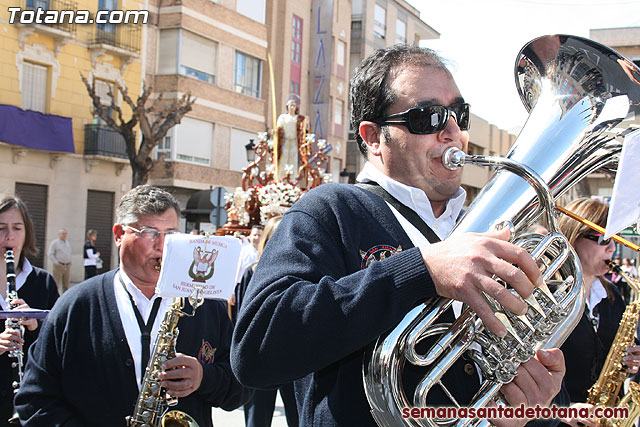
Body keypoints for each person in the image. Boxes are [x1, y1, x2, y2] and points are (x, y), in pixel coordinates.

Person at [231, 44, 565, 426]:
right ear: (374, 137)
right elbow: (255, 349)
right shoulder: (329, 210)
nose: (453, 131)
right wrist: (422, 269)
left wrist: (537, 407)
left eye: (459, 114)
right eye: (429, 117)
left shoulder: (489, 230)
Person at [15, 185, 250, 427]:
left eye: (171, 233)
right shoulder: (75, 305)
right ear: (119, 235)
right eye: (150, 232)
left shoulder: (205, 305)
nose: (162, 247)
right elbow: (34, 400)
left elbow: (241, 389)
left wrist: (204, 377)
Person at [557, 198, 640, 427]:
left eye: (614, 240)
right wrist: (561, 411)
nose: (612, 249)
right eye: (603, 240)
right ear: (574, 238)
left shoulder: (612, 295)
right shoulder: (548, 296)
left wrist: (632, 359)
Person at [234, 216, 298, 427]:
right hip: (260, 354)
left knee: (298, 416)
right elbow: (243, 316)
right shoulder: (253, 271)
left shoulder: (300, 270)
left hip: (293, 356)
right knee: (257, 418)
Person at [0, 195, 59, 424]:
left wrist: (36, 325)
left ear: (27, 234)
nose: (9, 236)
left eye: (17, 228)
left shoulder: (43, 282)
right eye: (1, 227)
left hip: (32, 403)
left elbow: (61, 345)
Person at [229, 225, 263, 323]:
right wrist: (232, 291)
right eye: (255, 235)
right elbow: (236, 271)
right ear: (250, 236)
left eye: (259, 235)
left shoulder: (264, 252)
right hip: (242, 286)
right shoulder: (243, 251)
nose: (256, 238)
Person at [276, 99, 309, 181]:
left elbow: (304, 128)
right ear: (287, 107)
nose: (292, 107)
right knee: (283, 159)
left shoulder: (299, 118)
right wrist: (276, 131)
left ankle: (293, 180)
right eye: (290, 105)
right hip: (285, 141)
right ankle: (281, 179)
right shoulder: (283, 117)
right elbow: (279, 127)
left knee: (293, 160)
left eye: (293, 105)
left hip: (294, 141)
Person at [48, 228, 72, 294]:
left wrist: (70, 261)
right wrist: (56, 263)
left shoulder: (67, 242)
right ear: (59, 235)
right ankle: (55, 298)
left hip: (67, 266)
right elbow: (50, 254)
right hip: (58, 266)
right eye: (63, 233)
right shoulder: (55, 243)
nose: (65, 235)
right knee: (56, 283)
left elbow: (69, 253)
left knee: (66, 284)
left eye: (65, 233)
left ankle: (65, 298)